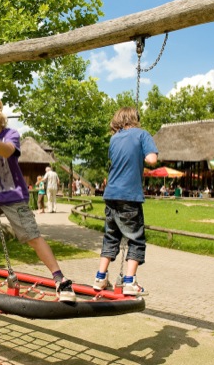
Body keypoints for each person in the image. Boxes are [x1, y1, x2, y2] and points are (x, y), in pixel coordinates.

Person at [0, 91, 75, 302]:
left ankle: (60, 278)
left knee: (31, 236)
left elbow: (7, 151)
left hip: (13, 196)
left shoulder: (10, 134)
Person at [92, 107, 158, 296]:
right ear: (135, 119)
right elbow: (152, 159)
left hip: (111, 194)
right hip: (129, 196)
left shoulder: (114, 139)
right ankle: (129, 281)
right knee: (136, 239)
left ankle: (100, 277)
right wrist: (146, 155)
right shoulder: (142, 134)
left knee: (111, 236)